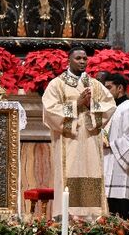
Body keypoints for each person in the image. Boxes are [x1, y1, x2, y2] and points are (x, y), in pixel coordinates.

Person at [42, 46, 116, 218]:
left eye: (84, 58)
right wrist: (77, 104)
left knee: (90, 173)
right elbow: (50, 111)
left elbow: (110, 105)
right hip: (69, 140)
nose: (82, 61)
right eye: (78, 58)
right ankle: (70, 218)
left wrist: (91, 105)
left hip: (90, 139)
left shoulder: (95, 85)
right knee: (71, 173)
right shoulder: (57, 84)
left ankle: (91, 217)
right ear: (69, 60)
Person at [102, 73, 129, 219]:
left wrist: (109, 144)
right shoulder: (113, 109)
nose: (106, 91)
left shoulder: (128, 108)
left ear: (120, 88)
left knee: (124, 213)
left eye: (109, 87)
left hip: (123, 171)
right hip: (110, 164)